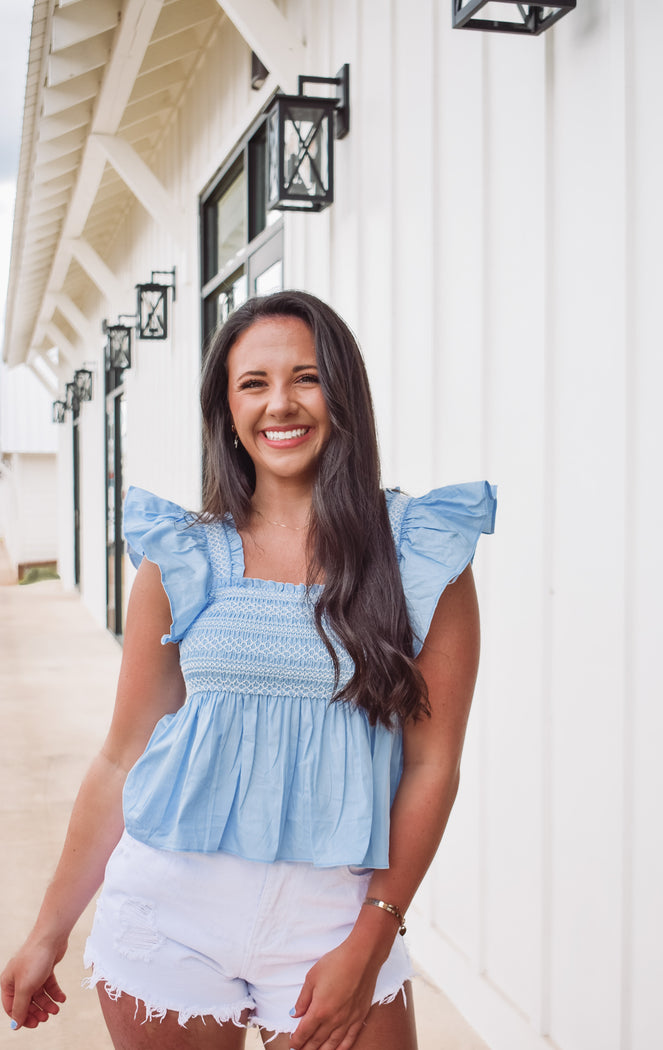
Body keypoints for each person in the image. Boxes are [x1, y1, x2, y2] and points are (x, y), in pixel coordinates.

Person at [1, 290, 496, 1050]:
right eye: (253, 384)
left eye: (306, 377)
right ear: (226, 411)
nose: (280, 405)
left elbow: (434, 765)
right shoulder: (182, 555)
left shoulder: (420, 553)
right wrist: (47, 929)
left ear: (344, 392)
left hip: (335, 917)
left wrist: (371, 940)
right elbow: (123, 755)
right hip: (167, 913)